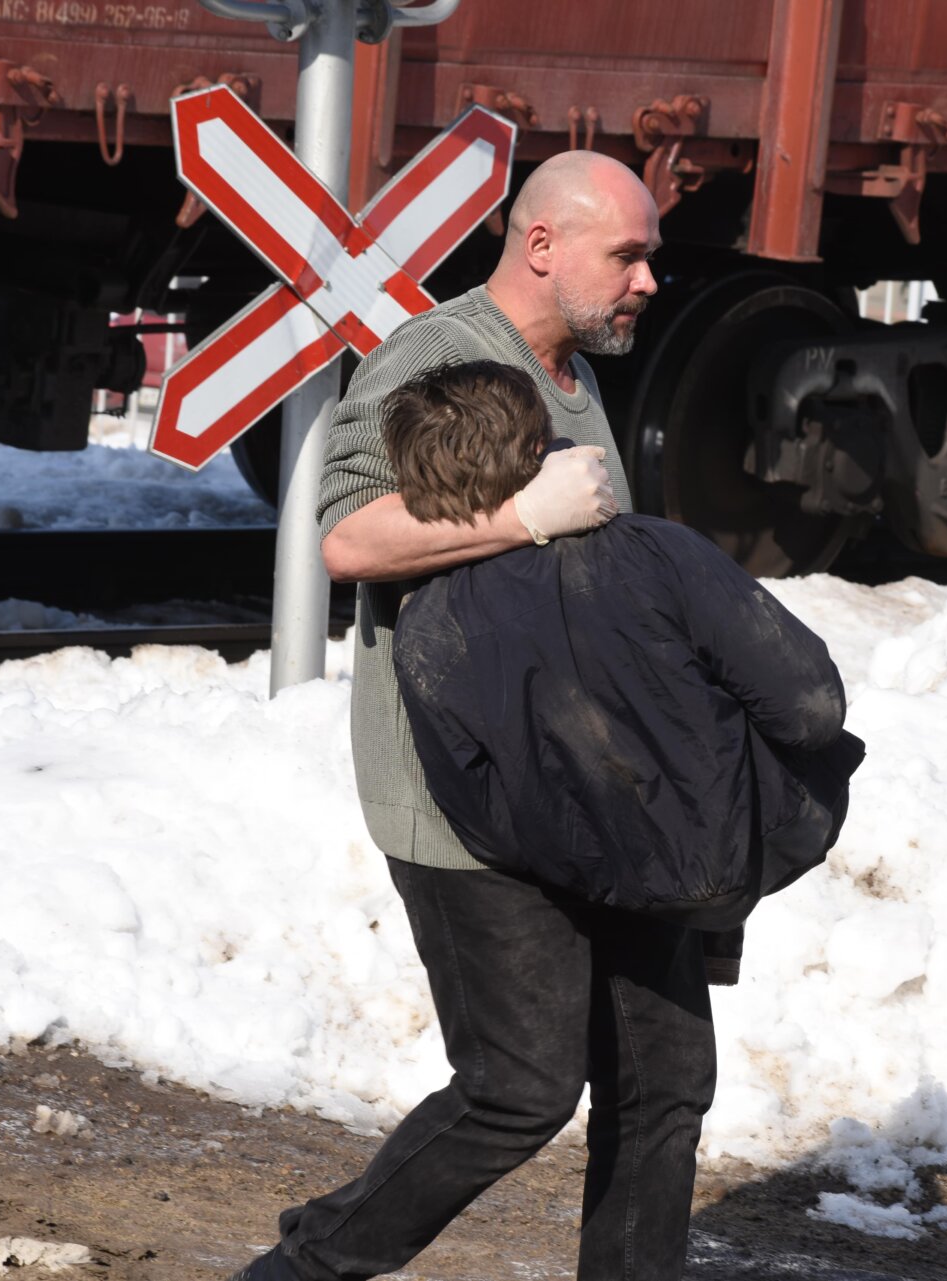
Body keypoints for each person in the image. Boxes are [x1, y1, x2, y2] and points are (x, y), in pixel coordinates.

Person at [228, 152, 689, 1281]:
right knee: (517, 1087)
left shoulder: (572, 375)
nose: (648, 282)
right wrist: (526, 513)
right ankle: (300, 1271)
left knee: (663, 1081)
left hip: (593, 794)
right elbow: (350, 540)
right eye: (628, 257)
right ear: (543, 245)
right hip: (466, 803)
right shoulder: (432, 358)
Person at [387, 361, 863, 934]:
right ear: (539, 452)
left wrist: (579, 852)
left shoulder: (426, 628)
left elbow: (482, 821)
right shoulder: (658, 550)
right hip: (755, 843)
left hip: (588, 885)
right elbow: (811, 711)